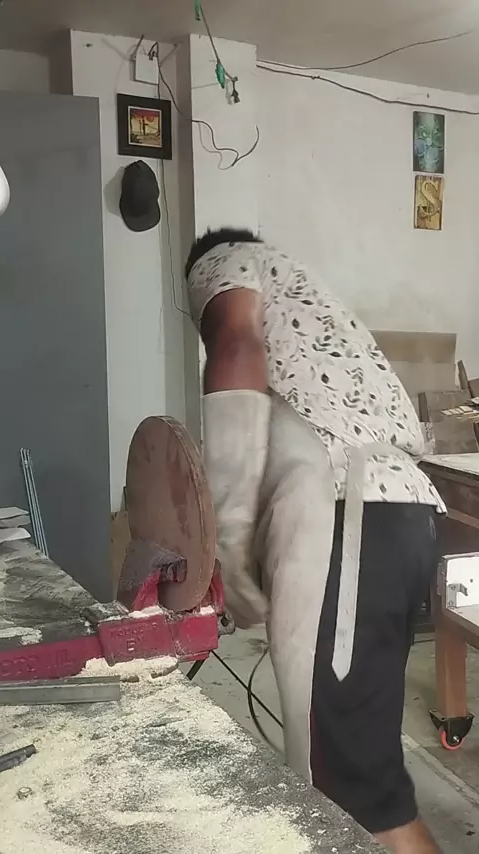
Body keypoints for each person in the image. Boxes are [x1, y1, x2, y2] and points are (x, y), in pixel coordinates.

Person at [185, 227, 445, 854]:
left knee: (351, 799)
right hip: (400, 513)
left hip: (351, 522)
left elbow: (235, 345)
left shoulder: (225, 263)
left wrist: (230, 537)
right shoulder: (313, 300)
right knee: (357, 778)